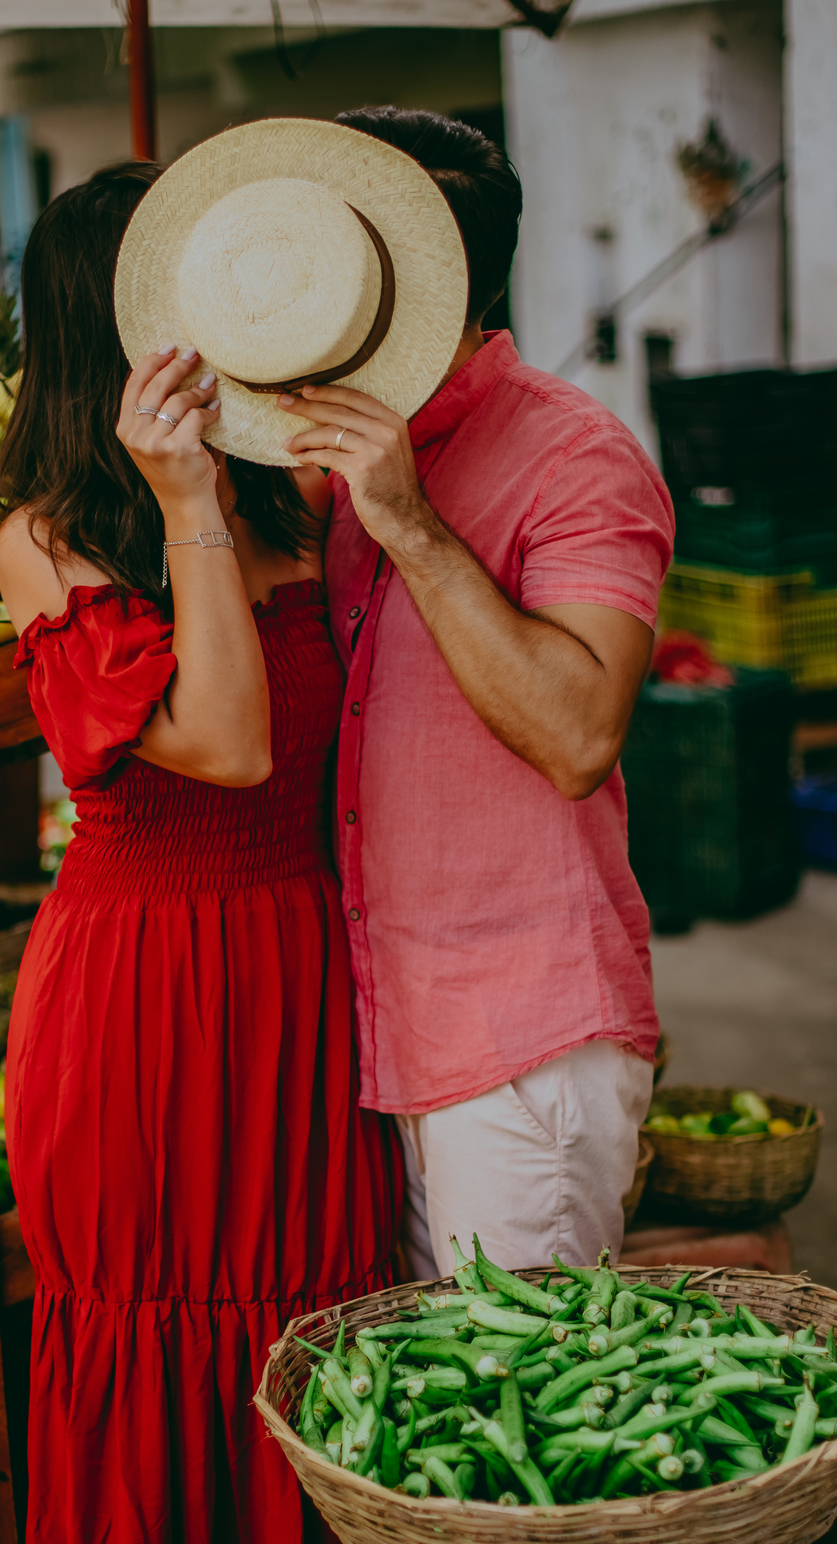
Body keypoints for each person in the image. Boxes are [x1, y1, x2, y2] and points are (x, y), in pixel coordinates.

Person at [0, 143, 456, 1544]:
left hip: (300, 980)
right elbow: (234, 742)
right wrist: (185, 504)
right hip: (141, 1004)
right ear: (113, 330)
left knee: (304, 1359)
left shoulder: (289, 500)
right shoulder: (45, 539)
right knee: (157, 1375)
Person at [278, 107, 672, 1283]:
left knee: (517, 1391)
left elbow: (578, 735)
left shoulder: (578, 456)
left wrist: (408, 523)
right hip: (387, 1026)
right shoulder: (347, 454)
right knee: (420, 1389)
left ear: (421, 284)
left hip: (523, 1039)